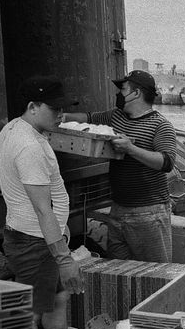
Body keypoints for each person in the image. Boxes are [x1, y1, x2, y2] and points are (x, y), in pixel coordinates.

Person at [0, 76, 82, 329]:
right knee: (30, 314)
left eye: (62, 109)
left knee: (56, 300)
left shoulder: (14, 128)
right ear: (33, 106)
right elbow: (43, 209)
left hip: (35, 238)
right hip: (36, 243)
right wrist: (64, 258)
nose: (61, 115)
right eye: (54, 109)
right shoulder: (29, 146)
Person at [64, 70, 177, 262]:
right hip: (117, 210)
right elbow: (89, 118)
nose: (119, 94)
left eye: (123, 89)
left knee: (156, 273)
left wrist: (131, 148)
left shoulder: (160, 125)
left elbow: (166, 162)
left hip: (149, 213)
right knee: (120, 272)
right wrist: (63, 117)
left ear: (137, 93)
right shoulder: (115, 116)